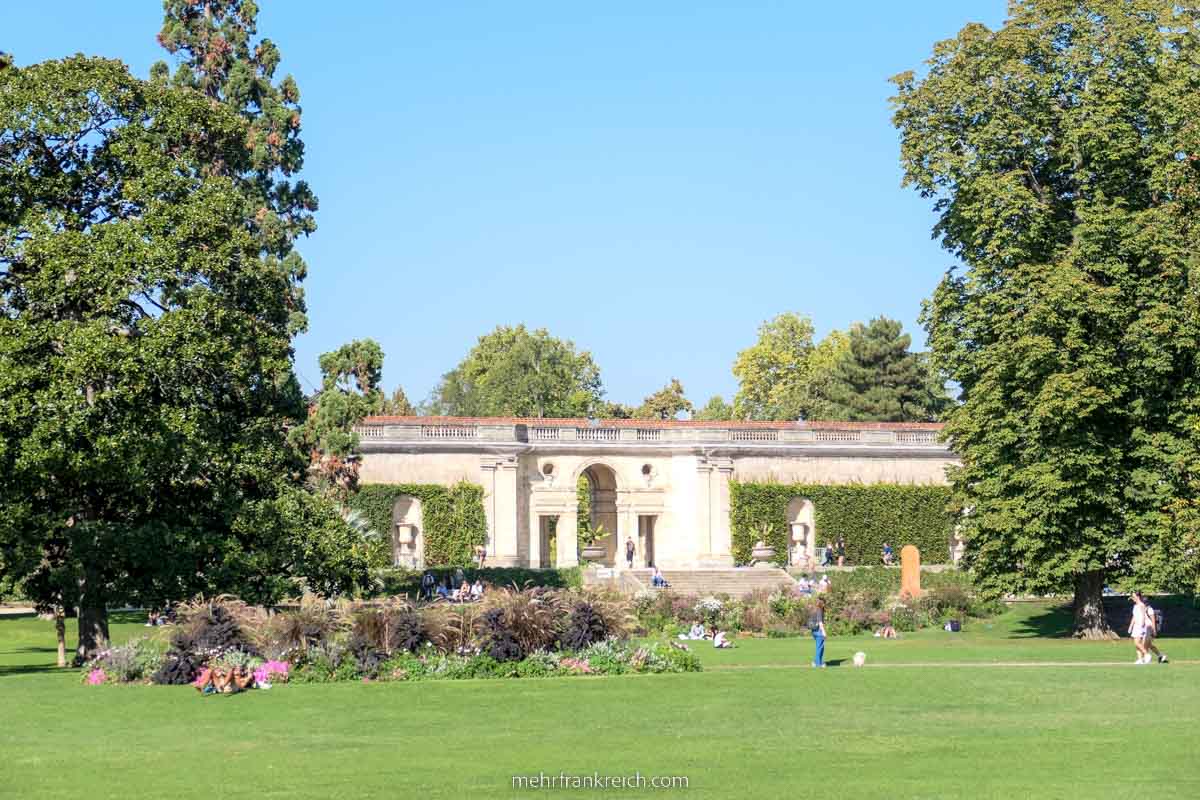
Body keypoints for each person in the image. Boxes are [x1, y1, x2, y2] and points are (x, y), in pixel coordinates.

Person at [1138, 591, 1168, 664]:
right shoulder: (1143, 609)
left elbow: (1153, 621)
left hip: (1149, 628)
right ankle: (1161, 656)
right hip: (1145, 628)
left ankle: (1145, 659)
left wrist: (1154, 630)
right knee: (1149, 645)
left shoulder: (1150, 609)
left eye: (1144, 602)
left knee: (1145, 645)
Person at [1128, 591, 1150, 664]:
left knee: (1137, 643)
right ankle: (1140, 659)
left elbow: (1144, 615)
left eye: (1133, 597)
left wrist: (1142, 624)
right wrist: (1130, 626)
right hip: (1135, 626)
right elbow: (1134, 616)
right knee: (1136, 643)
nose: (1133, 598)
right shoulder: (1135, 606)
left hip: (1140, 626)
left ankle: (1146, 654)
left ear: (1138, 597)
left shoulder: (1141, 605)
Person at [809, 597, 827, 667]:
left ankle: (816, 661)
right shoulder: (819, 610)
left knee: (819, 647)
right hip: (819, 631)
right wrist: (824, 632)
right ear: (822, 603)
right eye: (824, 603)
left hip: (814, 631)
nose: (825, 605)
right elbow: (820, 622)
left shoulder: (814, 609)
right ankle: (818, 664)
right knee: (820, 647)